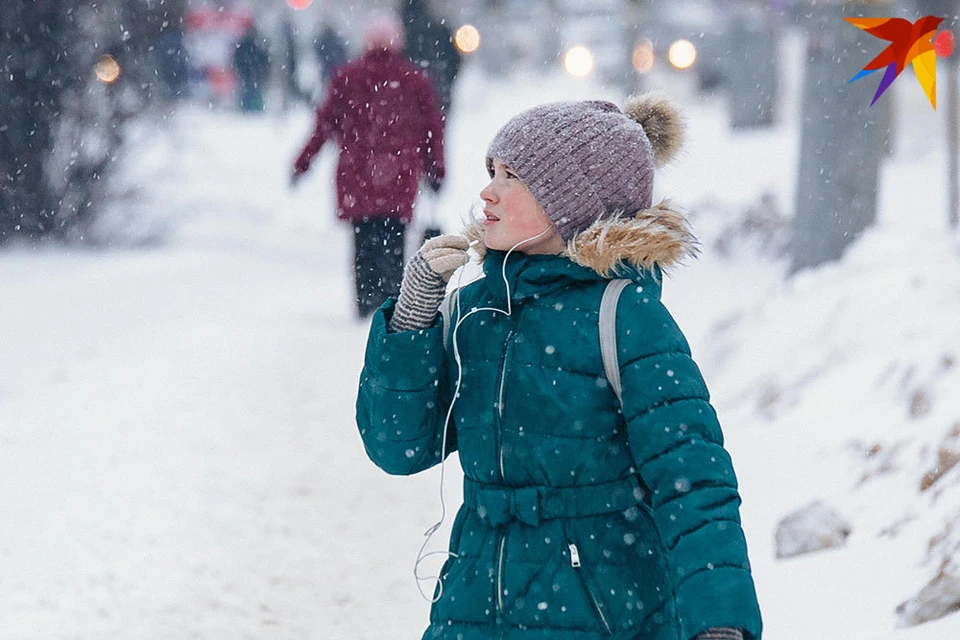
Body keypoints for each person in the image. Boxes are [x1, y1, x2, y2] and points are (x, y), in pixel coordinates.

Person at [355, 95, 763, 639]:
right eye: (490, 172)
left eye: (511, 177)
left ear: (570, 201)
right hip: (474, 602)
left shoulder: (623, 318)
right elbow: (398, 446)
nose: (487, 191)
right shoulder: (475, 310)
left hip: (600, 607)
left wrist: (718, 622)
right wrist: (413, 314)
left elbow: (691, 481)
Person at [291, 14, 445, 319]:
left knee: (363, 241)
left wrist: (302, 163)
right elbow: (431, 129)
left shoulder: (348, 76)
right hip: (399, 175)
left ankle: (365, 302)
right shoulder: (413, 79)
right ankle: (391, 304)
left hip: (356, 175)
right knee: (395, 241)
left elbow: (323, 126)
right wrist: (436, 169)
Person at [399, 0, 462, 117]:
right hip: (438, 88)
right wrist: (446, 80)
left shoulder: (401, 35)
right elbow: (455, 60)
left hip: (408, 96)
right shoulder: (438, 29)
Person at [233, 27, 270, 112]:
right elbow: (264, 59)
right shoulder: (258, 45)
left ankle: (247, 109)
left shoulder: (243, 45)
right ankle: (255, 109)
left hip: (247, 72)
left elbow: (237, 58)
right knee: (253, 91)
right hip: (254, 73)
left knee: (247, 90)